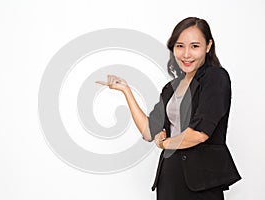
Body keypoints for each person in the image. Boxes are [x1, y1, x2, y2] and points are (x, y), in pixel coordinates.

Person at [96, 17, 241, 200]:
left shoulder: (215, 78)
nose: (186, 54)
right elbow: (149, 132)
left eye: (194, 46)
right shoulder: (171, 87)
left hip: (202, 182)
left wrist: (165, 144)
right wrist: (126, 91)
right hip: (169, 177)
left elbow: (199, 134)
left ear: (208, 46)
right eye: (180, 46)